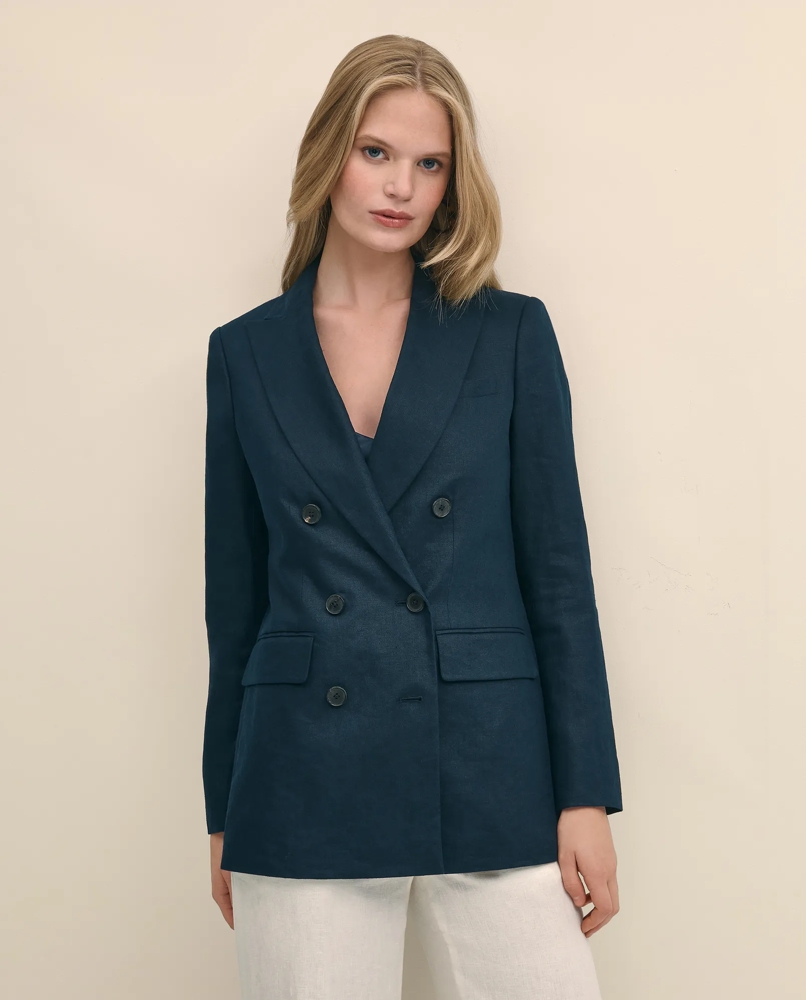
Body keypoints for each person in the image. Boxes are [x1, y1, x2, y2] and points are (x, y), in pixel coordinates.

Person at [202, 33, 623, 1000]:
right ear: (329, 155)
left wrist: (584, 794)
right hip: (300, 770)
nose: (401, 187)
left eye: (430, 164)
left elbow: (559, 581)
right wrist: (225, 805)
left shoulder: (508, 333)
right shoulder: (245, 353)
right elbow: (236, 605)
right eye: (376, 152)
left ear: (452, 183)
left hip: (488, 755)